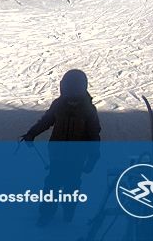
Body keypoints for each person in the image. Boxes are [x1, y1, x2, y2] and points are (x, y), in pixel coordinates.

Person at [21, 69, 102, 225]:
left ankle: (68, 209)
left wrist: (93, 156)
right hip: (57, 154)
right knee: (52, 183)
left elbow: (94, 134)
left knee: (71, 185)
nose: (70, 95)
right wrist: (32, 133)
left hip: (77, 156)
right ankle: (46, 214)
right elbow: (46, 121)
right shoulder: (59, 105)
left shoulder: (88, 110)